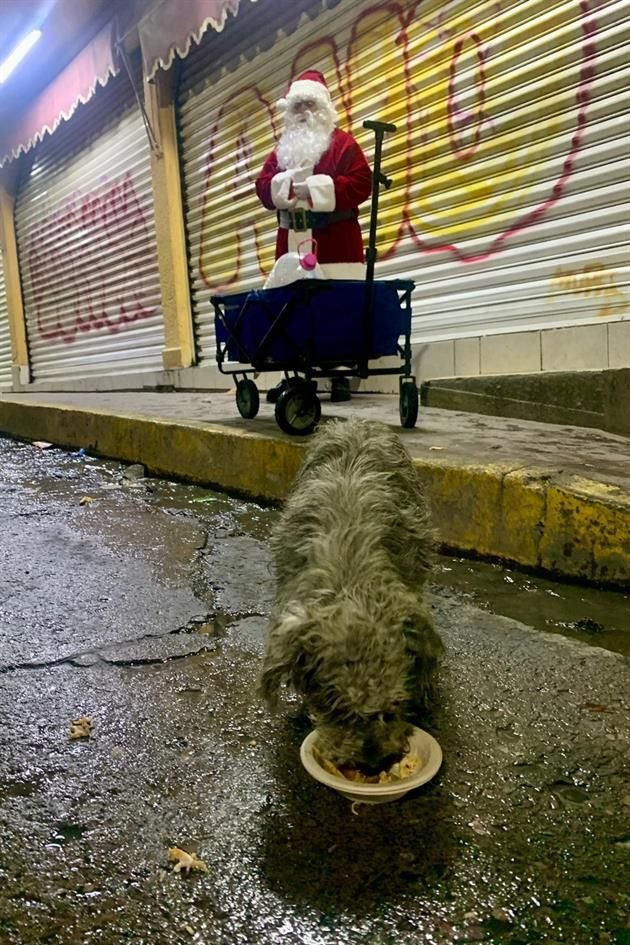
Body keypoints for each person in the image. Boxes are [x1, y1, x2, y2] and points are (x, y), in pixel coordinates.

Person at [255, 70, 372, 403]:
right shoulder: (281, 151)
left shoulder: (344, 144)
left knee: (336, 304)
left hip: (334, 239)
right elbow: (262, 187)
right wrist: (284, 186)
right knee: (290, 305)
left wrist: (321, 188)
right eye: (298, 106)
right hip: (292, 238)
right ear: (289, 111)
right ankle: (294, 375)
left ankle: (338, 374)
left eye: (310, 104)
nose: (304, 112)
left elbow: (362, 182)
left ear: (323, 107)